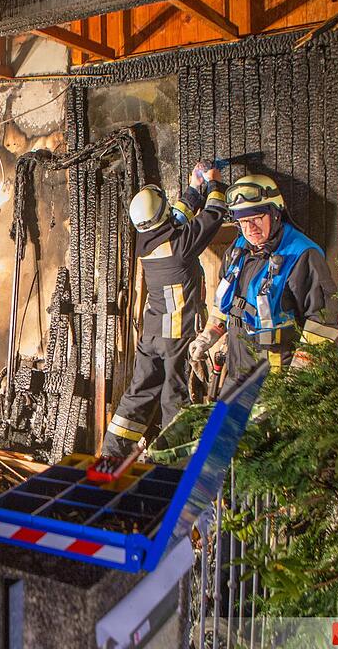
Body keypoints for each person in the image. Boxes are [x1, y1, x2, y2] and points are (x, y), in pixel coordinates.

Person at [101, 161, 227, 457]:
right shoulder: (182, 246)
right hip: (175, 336)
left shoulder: (146, 239)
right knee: (175, 398)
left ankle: (109, 456)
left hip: (151, 335)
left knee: (138, 393)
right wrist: (214, 183)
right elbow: (214, 215)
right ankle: (171, 465)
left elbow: (176, 217)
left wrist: (194, 188)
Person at [189, 173, 338, 386]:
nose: (250, 229)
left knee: (255, 421)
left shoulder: (302, 255)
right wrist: (208, 336)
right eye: (243, 221)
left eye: (257, 218)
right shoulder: (238, 250)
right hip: (236, 368)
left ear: (275, 213)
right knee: (219, 420)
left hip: (275, 376)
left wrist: (301, 373)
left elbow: (323, 321)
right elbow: (226, 303)